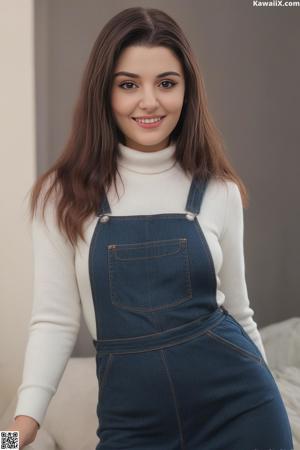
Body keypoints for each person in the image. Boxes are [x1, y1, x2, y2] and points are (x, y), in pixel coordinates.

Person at [8, 6, 294, 450]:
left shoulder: (220, 191)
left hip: (240, 411)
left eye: (166, 83)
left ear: (187, 89)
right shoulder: (60, 195)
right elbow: (54, 321)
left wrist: (273, 402)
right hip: (132, 423)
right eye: (128, 85)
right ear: (103, 93)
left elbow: (239, 312)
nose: (149, 101)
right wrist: (16, 430)